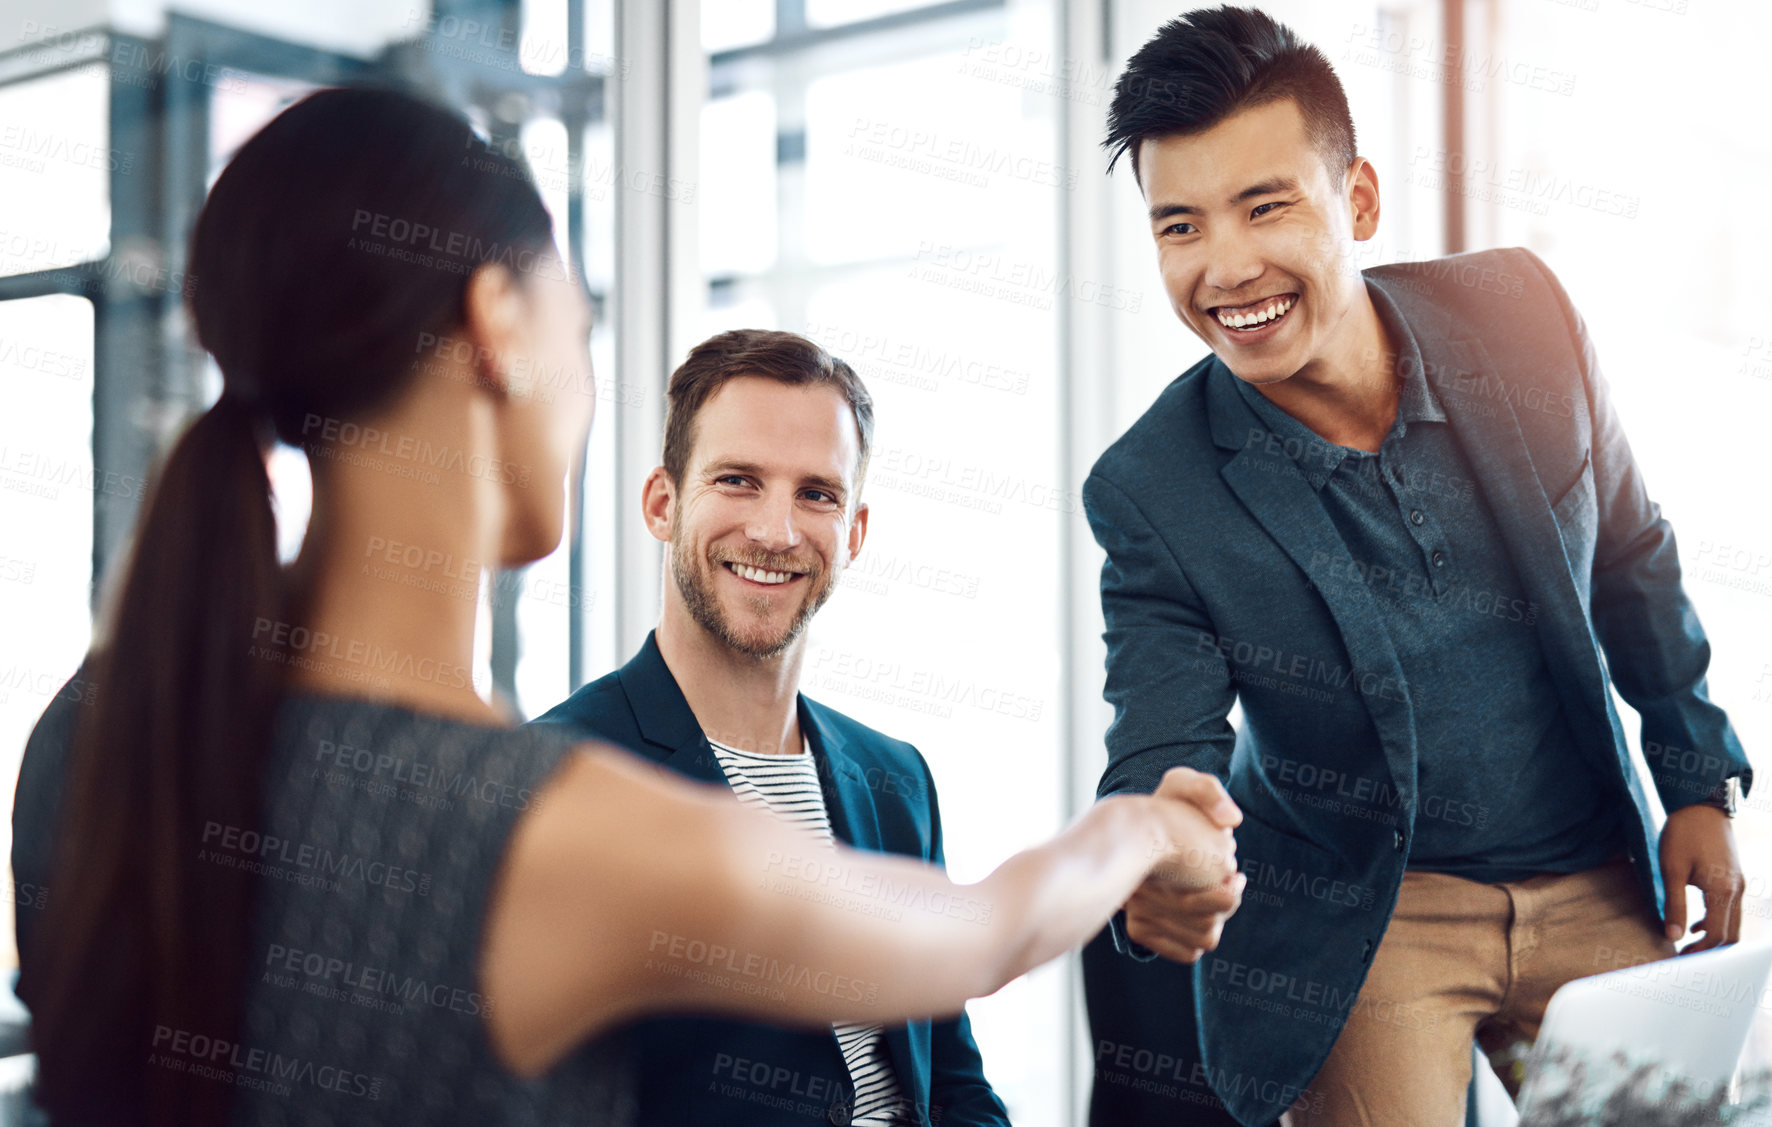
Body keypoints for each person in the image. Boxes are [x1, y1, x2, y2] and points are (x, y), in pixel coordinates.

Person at [12, 86, 1242, 1127]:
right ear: (497, 324)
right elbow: (981, 931)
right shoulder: (541, 823)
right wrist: (1146, 828)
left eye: (815, 491)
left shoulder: (101, 734)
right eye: (581, 326)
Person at [1077, 8, 1752, 1127]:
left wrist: (1697, 780)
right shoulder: (1152, 487)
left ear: (1358, 201)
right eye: (1177, 227)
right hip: (1365, 916)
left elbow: (1630, 551)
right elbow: (1158, 740)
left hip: (1587, 868)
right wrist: (1153, 846)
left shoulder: (1519, 314)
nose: (1223, 268)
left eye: (1264, 205)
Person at [533, 328, 1076, 1126]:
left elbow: (954, 1082)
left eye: (817, 493)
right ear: (662, 502)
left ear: (853, 533)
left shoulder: (897, 779)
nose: (776, 531)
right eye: (738, 480)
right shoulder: (563, 770)